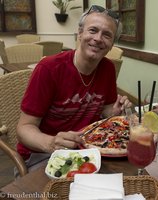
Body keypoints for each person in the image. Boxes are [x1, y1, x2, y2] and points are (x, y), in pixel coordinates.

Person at [16, 5, 131, 171]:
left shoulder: (108, 68)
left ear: (112, 44)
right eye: (93, 30)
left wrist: (115, 111)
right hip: (43, 154)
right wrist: (51, 143)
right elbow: (24, 128)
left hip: (88, 149)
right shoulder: (48, 68)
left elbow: (106, 111)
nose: (98, 38)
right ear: (80, 33)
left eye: (107, 35)